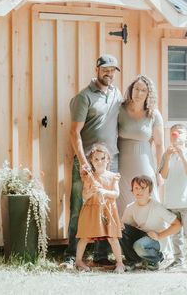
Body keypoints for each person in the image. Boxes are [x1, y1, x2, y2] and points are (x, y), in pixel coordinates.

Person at [63, 54, 122, 267]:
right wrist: (83, 162)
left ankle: (101, 256)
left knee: (106, 206)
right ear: (97, 69)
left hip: (109, 161)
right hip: (87, 161)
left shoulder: (116, 94)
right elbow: (73, 133)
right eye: (106, 69)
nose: (109, 73)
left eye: (113, 70)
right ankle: (71, 256)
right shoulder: (84, 97)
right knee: (80, 206)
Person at [117, 75, 164, 214]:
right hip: (122, 164)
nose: (139, 93)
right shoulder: (120, 110)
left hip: (145, 162)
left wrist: (160, 173)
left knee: (149, 197)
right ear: (131, 89)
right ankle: (126, 234)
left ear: (148, 94)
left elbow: (160, 144)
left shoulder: (154, 114)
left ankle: (154, 234)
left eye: (143, 90)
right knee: (123, 201)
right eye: (136, 89)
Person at [159, 124, 187, 274]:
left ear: (186, 137)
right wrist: (169, 156)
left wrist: (182, 154)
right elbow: (163, 176)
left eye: (179, 132)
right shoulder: (166, 155)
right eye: (172, 133)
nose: (175, 135)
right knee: (175, 235)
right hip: (171, 201)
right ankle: (178, 261)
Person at [75, 144, 124, 273]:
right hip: (92, 210)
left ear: (108, 159)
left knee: (112, 237)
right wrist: (92, 190)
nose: (99, 162)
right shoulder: (88, 177)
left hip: (108, 210)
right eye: (96, 159)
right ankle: (78, 261)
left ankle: (120, 263)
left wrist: (104, 191)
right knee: (85, 237)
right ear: (91, 161)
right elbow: (84, 196)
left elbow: (116, 194)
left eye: (102, 158)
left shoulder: (113, 176)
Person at [120, 175, 181, 270]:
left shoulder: (157, 207)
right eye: (136, 188)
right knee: (121, 229)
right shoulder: (130, 207)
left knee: (139, 245)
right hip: (142, 236)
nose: (139, 191)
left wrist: (159, 235)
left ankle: (157, 258)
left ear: (150, 191)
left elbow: (177, 224)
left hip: (156, 239)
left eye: (143, 188)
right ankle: (134, 261)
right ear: (132, 190)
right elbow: (124, 229)